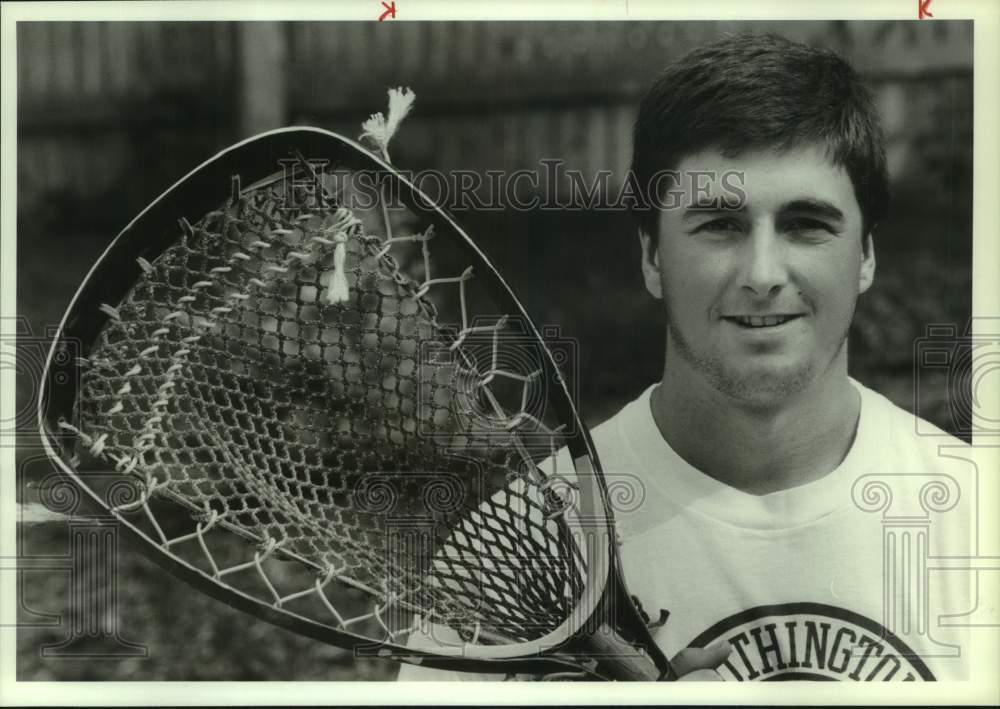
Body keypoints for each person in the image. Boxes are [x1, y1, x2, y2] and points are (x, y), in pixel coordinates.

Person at [397, 32, 972, 682]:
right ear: (651, 258)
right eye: (719, 224)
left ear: (865, 254)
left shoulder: (976, 516)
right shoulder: (514, 552)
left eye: (806, 223)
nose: (762, 272)